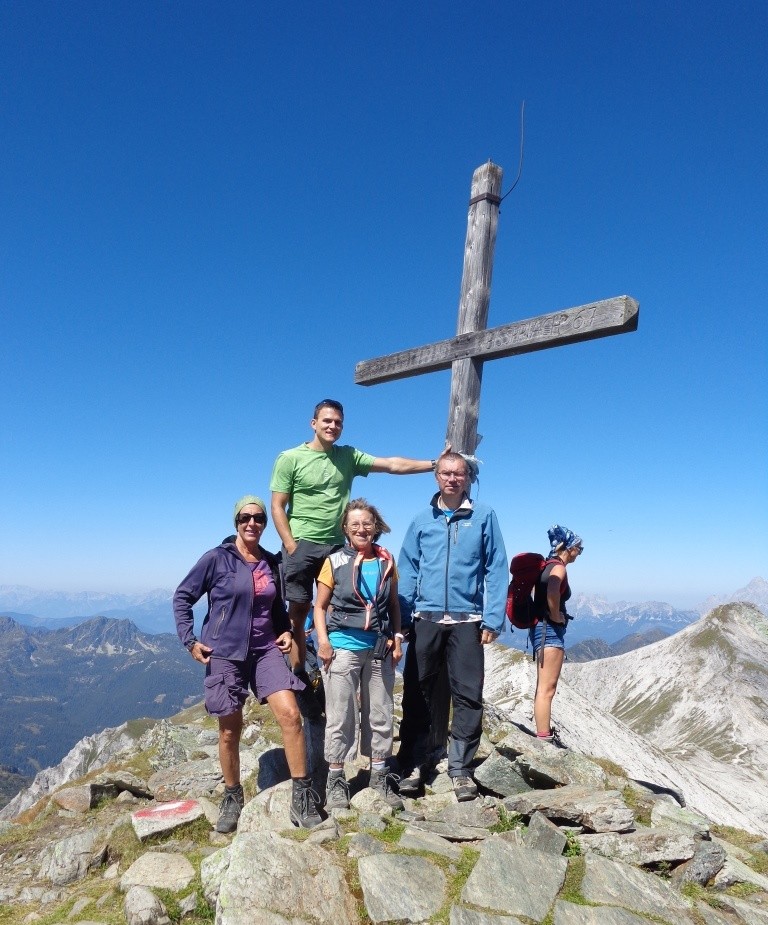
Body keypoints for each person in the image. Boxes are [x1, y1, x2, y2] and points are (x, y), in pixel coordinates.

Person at [173, 495, 322, 832]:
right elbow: (183, 596)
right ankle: (232, 796)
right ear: (236, 522)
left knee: (291, 716)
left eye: (259, 518)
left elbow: (277, 608)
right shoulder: (216, 559)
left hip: (266, 651)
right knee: (229, 731)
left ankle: (302, 796)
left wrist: (285, 630)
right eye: (245, 517)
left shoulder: (271, 562)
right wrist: (190, 640)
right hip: (224, 652)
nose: (252, 523)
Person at [270, 398, 448, 671]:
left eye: (338, 422)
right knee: (298, 614)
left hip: (336, 547)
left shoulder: (348, 456)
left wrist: (436, 464)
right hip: (302, 544)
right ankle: (298, 678)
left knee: (335, 610)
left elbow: (391, 465)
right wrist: (291, 546)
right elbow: (277, 505)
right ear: (313, 423)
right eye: (327, 421)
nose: (332, 426)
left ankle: (335, 672)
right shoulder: (290, 458)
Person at [396, 452, 508, 801]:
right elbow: (408, 569)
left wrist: (492, 618)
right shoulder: (420, 520)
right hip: (425, 619)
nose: (452, 479)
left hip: (468, 621)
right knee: (417, 692)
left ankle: (460, 768)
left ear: (468, 478)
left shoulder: (484, 516)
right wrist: (402, 617)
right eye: (445, 473)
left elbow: (496, 567)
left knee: (468, 695)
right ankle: (414, 762)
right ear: (436, 477)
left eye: (458, 473)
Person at [313, 499, 404, 810]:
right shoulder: (334, 561)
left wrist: (398, 638)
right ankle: (336, 780)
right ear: (346, 529)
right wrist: (324, 642)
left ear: (375, 526)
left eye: (367, 523)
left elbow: (393, 605)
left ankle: (380, 775)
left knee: (380, 712)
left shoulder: (386, 560)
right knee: (340, 715)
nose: (362, 529)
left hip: (379, 646)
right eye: (355, 525)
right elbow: (319, 606)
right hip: (342, 646)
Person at [531, 524, 583, 745]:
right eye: (579, 548)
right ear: (569, 547)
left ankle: (543, 732)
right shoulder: (559, 568)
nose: (579, 553)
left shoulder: (545, 564)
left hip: (540, 629)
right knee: (547, 688)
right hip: (550, 631)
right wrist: (555, 614)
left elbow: (538, 591)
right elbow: (553, 588)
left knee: (542, 687)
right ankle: (544, 737)